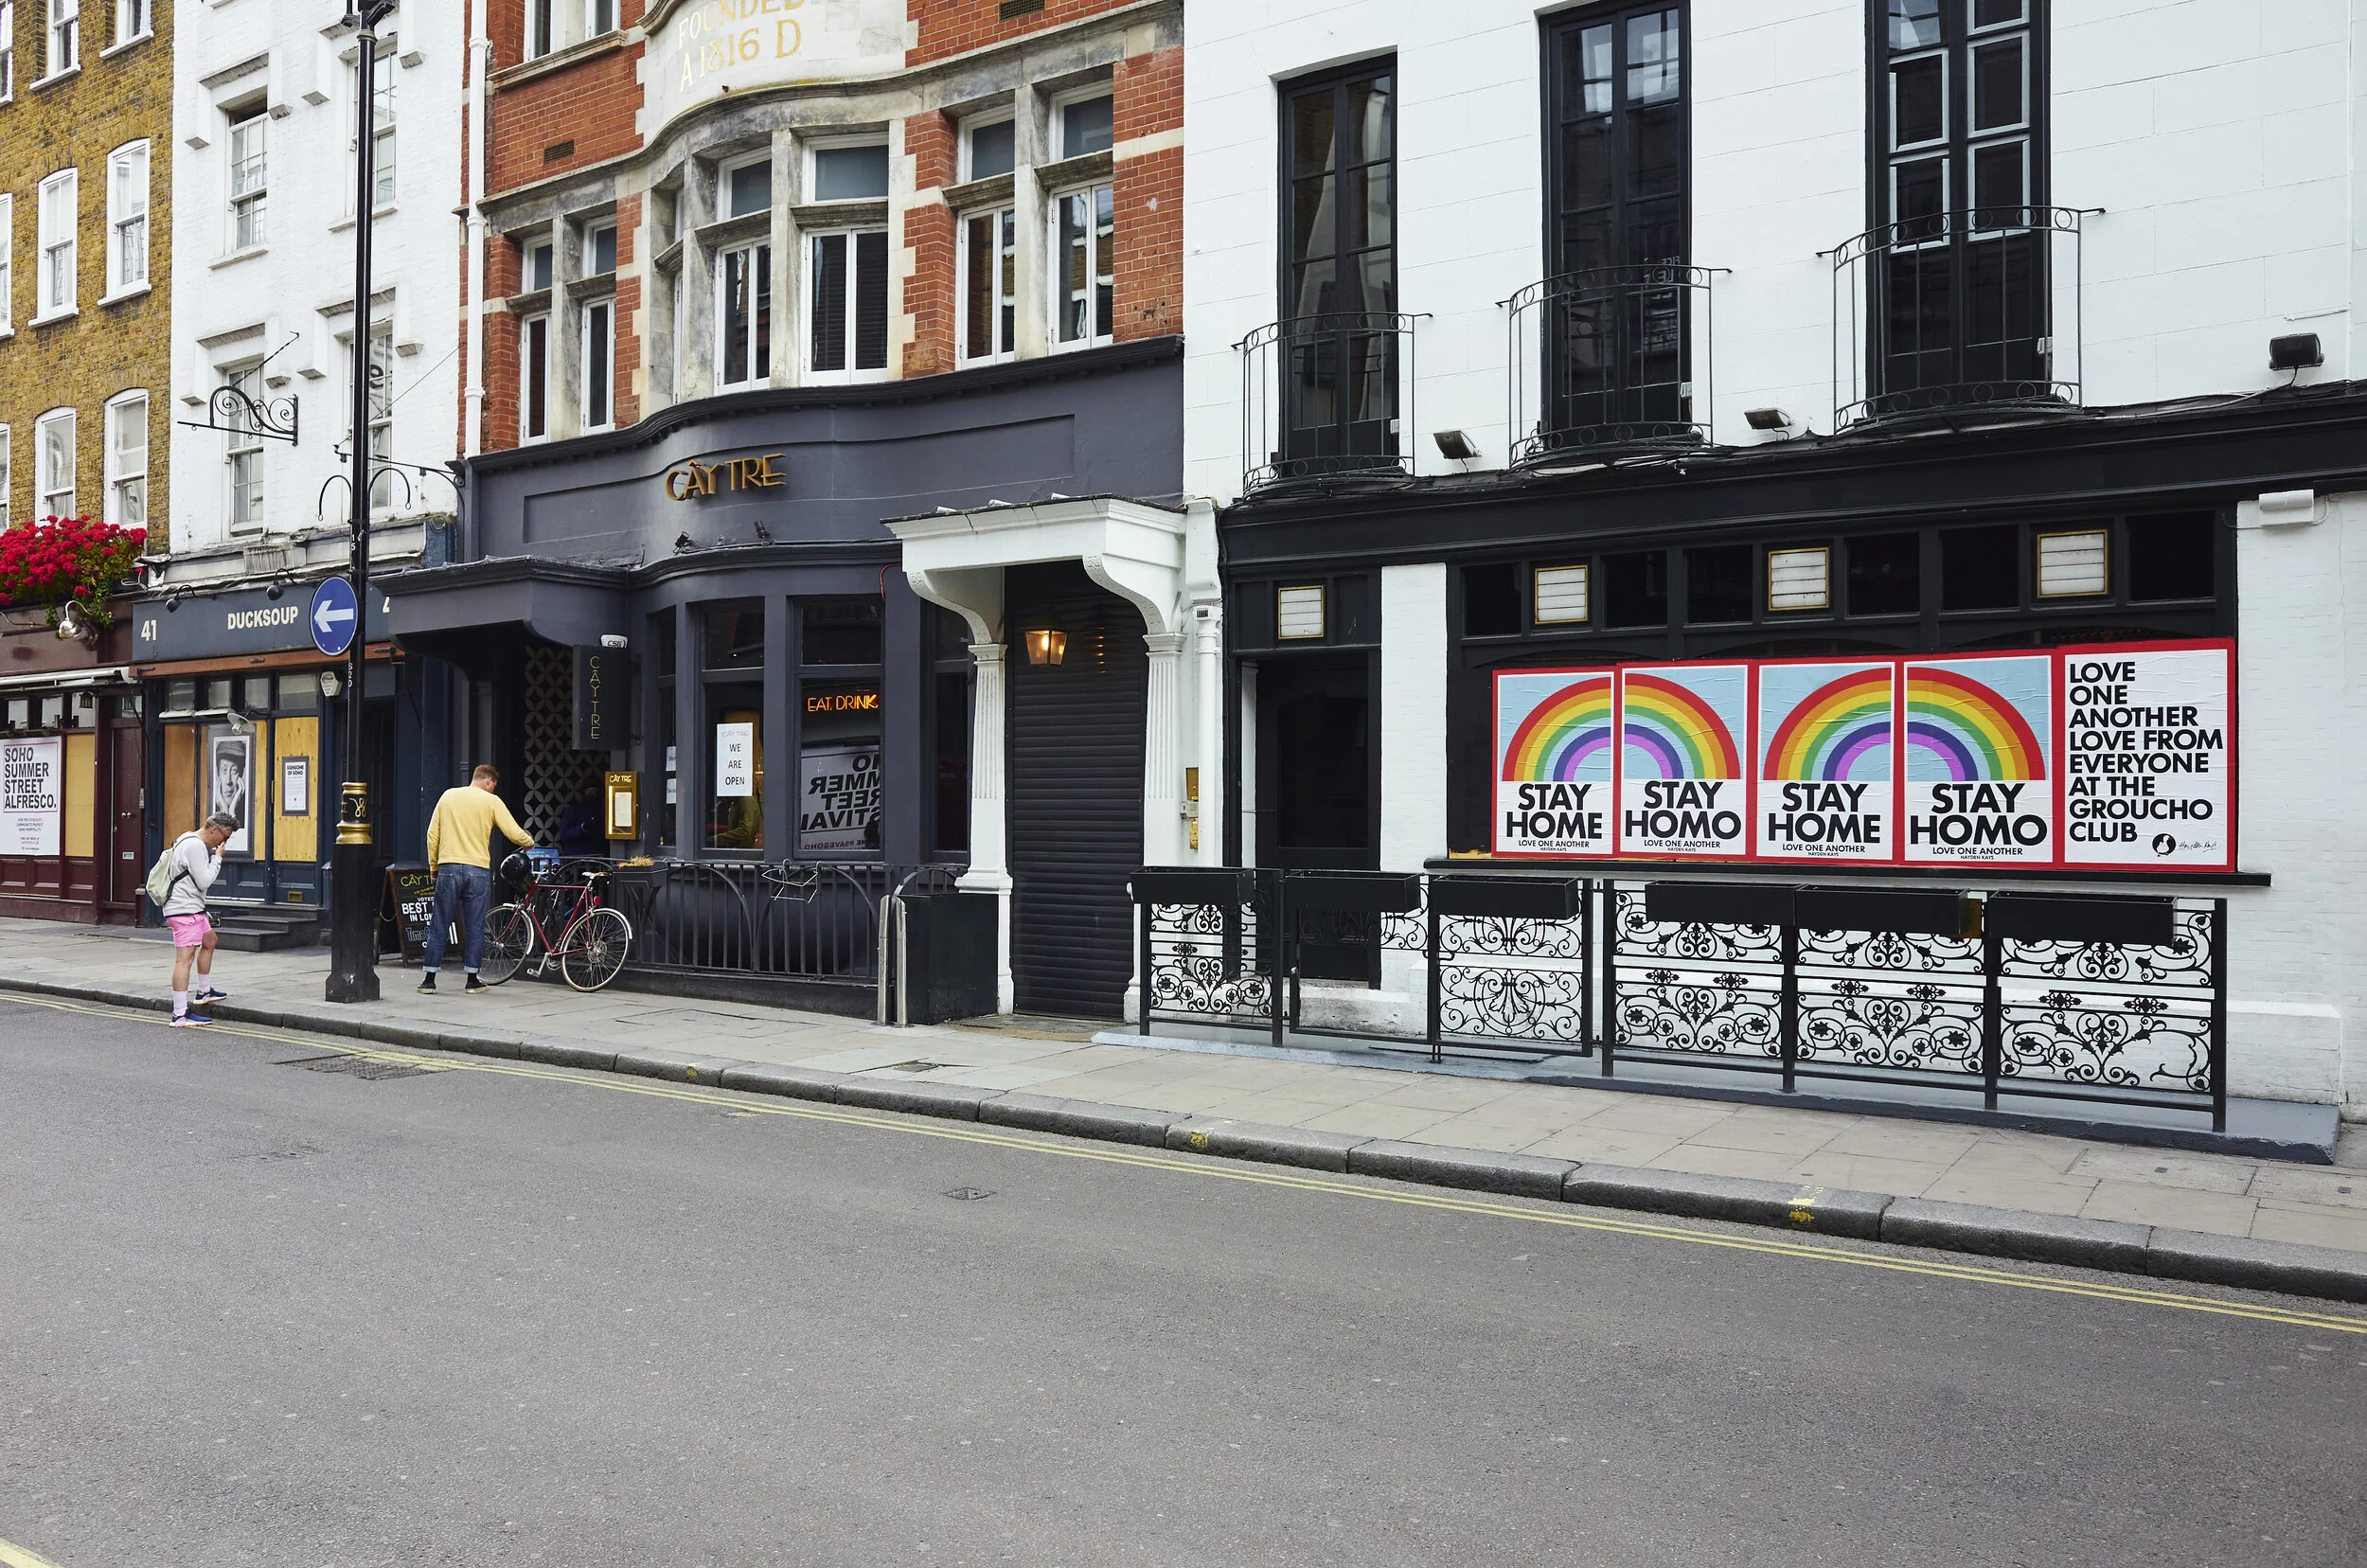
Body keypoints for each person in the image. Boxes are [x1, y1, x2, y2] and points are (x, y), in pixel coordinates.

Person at [420, 763, 536, 994]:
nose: (493, 789)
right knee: (474, 926)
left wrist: (434, 866)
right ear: (489, 781)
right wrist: (528, 842)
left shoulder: (448, 796)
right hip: (477, 870)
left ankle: (429, 980)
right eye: (493, 786)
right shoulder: (491, 801)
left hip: (449, 867)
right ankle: (472, 980)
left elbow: (432, 835)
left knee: (440, 922)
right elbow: (512, 831)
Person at [162, 811, 240, 1026]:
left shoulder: (186, 838)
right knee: (184, 960)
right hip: (184, 910)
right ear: (214, 829)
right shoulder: (195, 846)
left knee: (210, 940)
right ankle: (179, 1014)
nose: (223, 842)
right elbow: (204, 881)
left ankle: (204, 991)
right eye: (225, 837)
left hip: (191, 907)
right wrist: (218, 858)